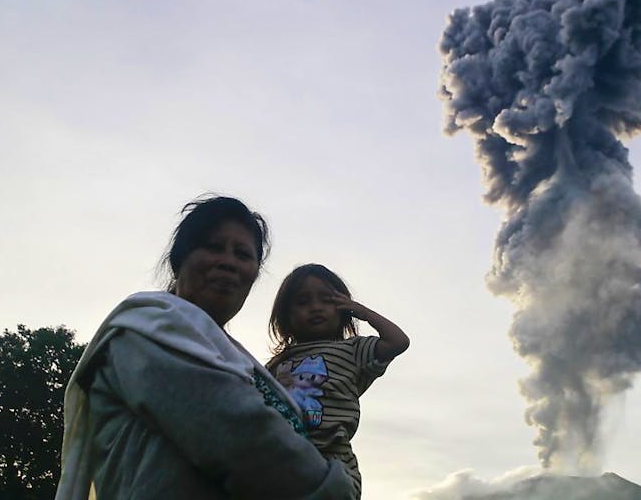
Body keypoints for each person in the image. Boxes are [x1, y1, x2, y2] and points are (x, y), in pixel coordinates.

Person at [55, 196, 353, 500]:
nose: (228, 262)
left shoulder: (238, 360)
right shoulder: (145, 331)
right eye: (213, 247)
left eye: (242, 254)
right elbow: (241, 438)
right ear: (180, 258)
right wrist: (335, 488)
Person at [266, 264, 410, 499]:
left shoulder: (352, 350)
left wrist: (363, 312)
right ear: (285, 316)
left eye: (327, 300)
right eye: (303, 302)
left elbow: (398, 342)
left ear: (343, 309)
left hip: (333, 461)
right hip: (283, 460)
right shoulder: (276, 364)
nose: (316, 308)